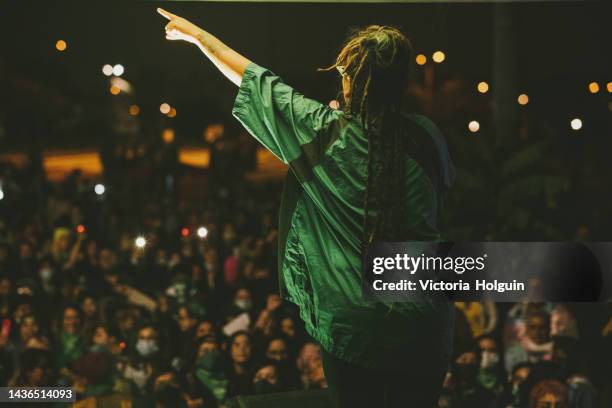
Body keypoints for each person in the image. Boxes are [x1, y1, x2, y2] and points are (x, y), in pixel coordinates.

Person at [157, 8, 456, 407]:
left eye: (346, 75)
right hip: (427, 320)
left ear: (355, 83)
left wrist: (199, 37)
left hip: (355, 323)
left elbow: (254, 80)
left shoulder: (323, 132)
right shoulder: (427, 136)